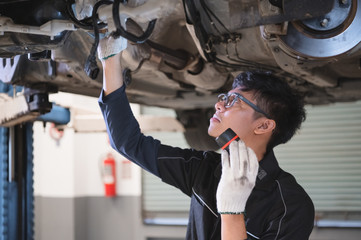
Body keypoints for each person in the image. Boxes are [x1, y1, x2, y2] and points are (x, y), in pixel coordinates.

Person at [97, 36, 315, 240]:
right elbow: (128, 142)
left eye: (234, 101)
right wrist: (110, 61)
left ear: (264, 125)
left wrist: (232, 211)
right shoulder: (205, 170)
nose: (218, 105)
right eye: (224, 98)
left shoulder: (292, 206)